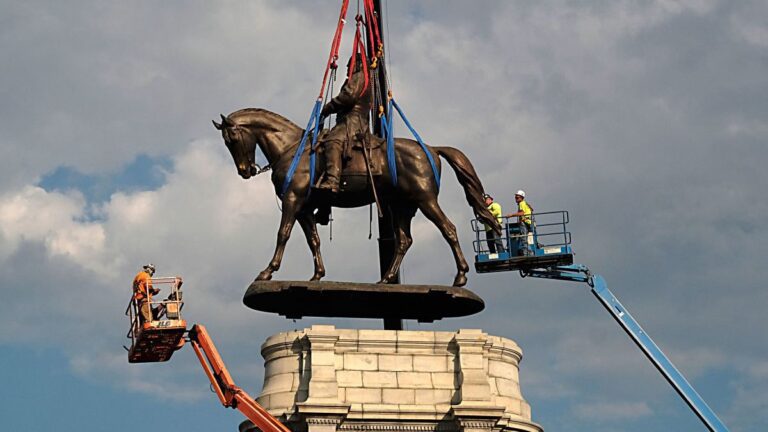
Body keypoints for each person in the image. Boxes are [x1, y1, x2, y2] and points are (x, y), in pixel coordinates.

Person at [316, 54, 372, 193]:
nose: (347, 69)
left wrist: (328, 107)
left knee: (332, 141)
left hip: (352, 122)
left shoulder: (359, 76)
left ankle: (332, 180)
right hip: (348, 120)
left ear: (357, 64)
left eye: (349, 65)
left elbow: (348, 97)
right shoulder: (360, 78)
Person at [506, 190, 533, 256]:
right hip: (528, 222)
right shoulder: (525, 203)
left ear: (521, 197)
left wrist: (511, 215)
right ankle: (529, 252)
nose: (516, 199)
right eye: (515, 197)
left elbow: (522, 213)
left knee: (523, 239)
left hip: (524, 222)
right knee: (524, 239)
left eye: (517, 198)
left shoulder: (522, 203)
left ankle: (527, 253)